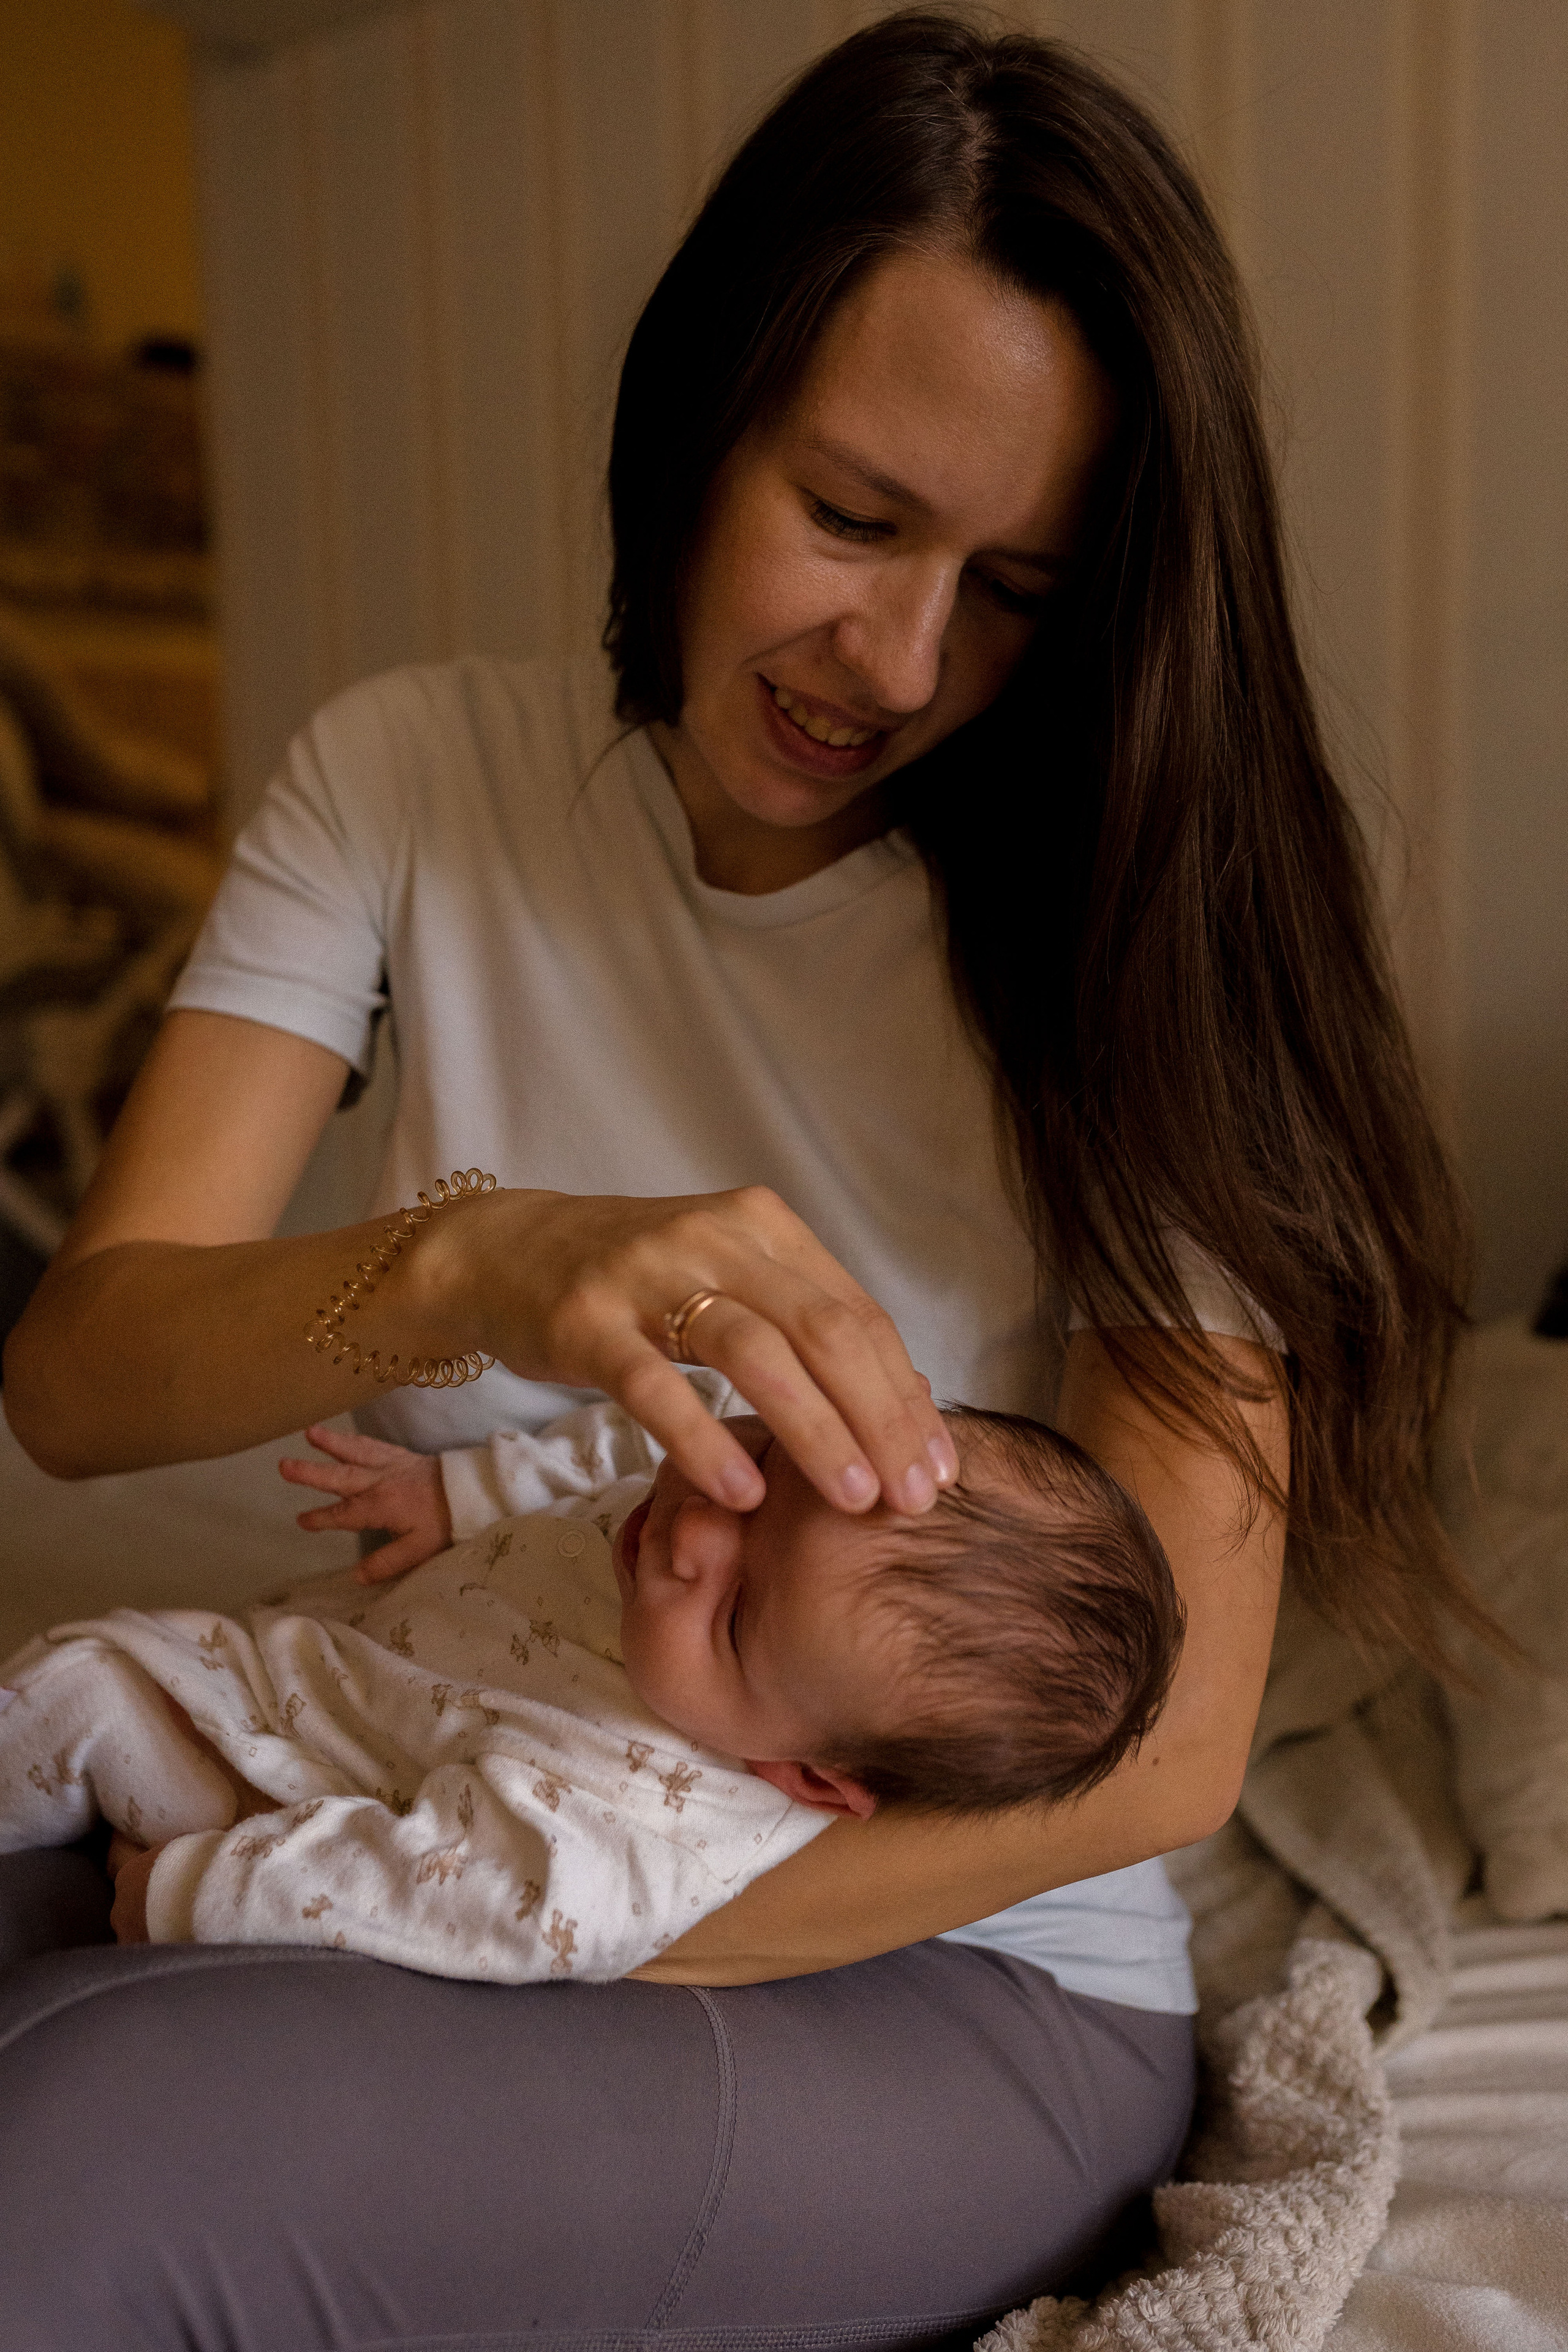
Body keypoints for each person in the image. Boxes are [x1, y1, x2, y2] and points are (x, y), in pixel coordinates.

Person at [0, 14, 1474, 2350]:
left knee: (71, 2152)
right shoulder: (407, 781)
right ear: (698, 419)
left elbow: (1167, 1753)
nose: (895, 661)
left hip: (951, 1975)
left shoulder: (1123, 942)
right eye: (855, 518)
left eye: (1012, 590)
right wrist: (491, 1262)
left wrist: (504, 1919)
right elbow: (81, 1377)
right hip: (445, 1768)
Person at [1, 1399, 1183, 1978]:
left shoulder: (633, 1824)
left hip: (284, 1791)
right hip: (306, 1664)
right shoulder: (701, 1498)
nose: (689, 1534)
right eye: (760, 1463)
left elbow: (436, 1898)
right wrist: (463, 1492)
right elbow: (627, 1439)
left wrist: (194, 1892)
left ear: (804, 1772)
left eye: (731, 1614)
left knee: (81, 1686)